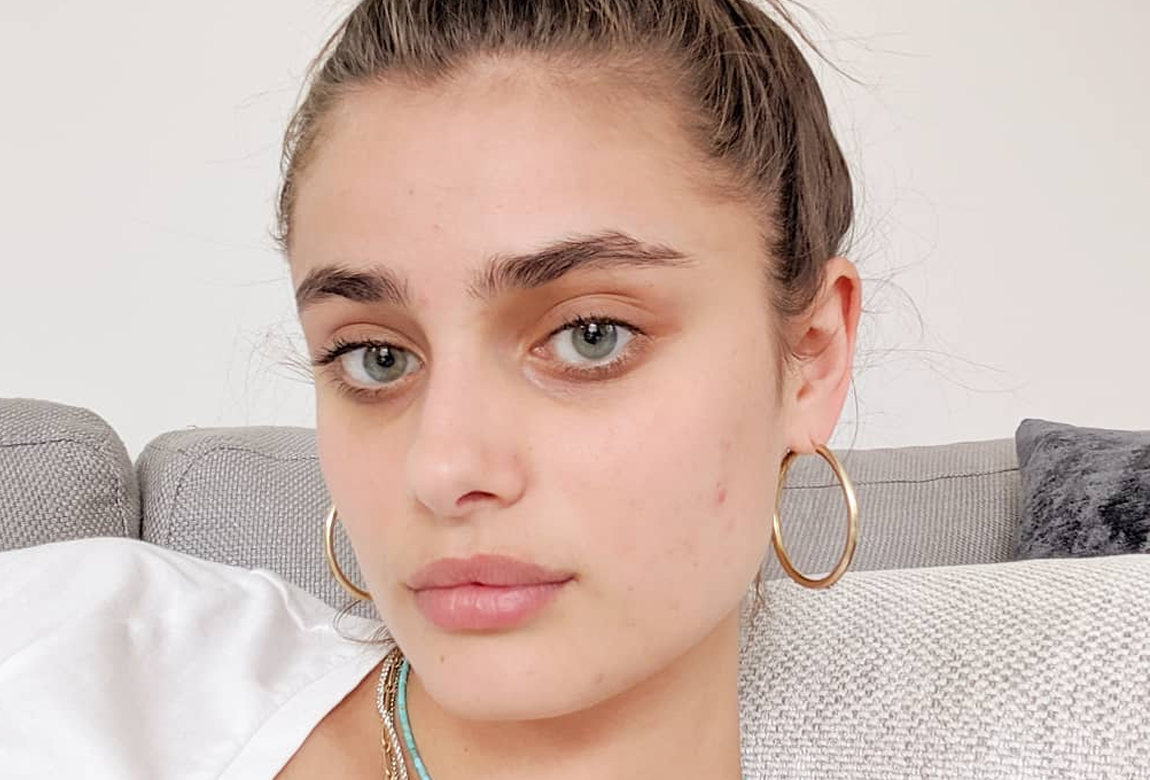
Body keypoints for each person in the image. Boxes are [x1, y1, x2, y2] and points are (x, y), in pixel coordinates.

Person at [0, 1, 863, 778]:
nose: (441, 467)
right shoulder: (74, 652)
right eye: (376, 357)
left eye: (589, 336)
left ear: (812, 357)